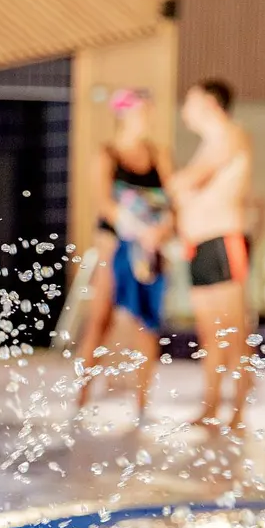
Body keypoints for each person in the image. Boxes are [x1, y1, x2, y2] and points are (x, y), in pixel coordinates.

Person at [75, 88, 175, 424]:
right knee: (100, 321)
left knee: (147, 324)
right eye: (141, 112)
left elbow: (173, 201)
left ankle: (143, 402)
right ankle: (82, 396)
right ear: (125, 115)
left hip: (150, 250)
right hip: (115, 245)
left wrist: (160, 233)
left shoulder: (158, 155)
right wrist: (136, 228)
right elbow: (104, 202)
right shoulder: (108, 155)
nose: (146, 119)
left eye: (149, 113)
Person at [167, 78, 255, 432]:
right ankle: (211, 406)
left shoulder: (232, 135)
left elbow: (193, 180)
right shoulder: (208, 144)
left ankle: (239, 411)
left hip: (222, 242)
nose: (184, 109)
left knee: (233, 332)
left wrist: (163, 188)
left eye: (189, 100)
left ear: (209, 102)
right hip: (199, 245)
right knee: (210, 335)